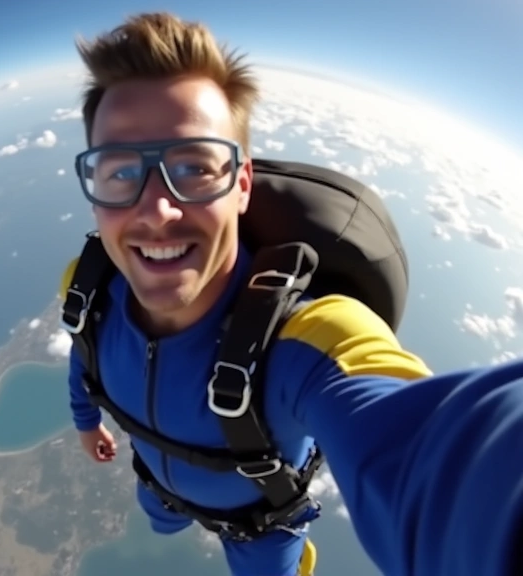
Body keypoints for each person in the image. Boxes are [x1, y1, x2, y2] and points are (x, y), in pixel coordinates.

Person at [59, 11, 523, 576]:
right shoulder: (87, 291)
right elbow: (83, 358)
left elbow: (448, 468)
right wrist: (87, 422)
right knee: (160, 514)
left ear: (242, 186)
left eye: (194, 168)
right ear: (94, 193)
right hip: (155, 482)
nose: (157, 210)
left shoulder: (309, 340)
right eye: (119, 171)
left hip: (261, 529)